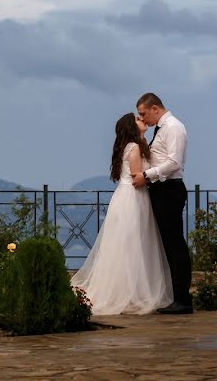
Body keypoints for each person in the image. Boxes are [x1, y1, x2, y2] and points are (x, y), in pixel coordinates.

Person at [70, 113, 173, 315]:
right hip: (132, 198)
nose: (142, 119)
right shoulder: (134, 148)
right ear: (131, 127)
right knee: (131, 244)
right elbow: (137, 178)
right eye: (137, 119)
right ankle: (129, 293)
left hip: (129, 197)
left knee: (132, 244)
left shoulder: (137, 144)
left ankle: (132, 291)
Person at [132, 93, 193, 314]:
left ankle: (183, 300)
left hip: (169, 189)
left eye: (143, 113)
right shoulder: (160, 129)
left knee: (175, 243)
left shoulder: (173, 128)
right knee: (168, 243)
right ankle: (175, 296)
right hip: (160, 189)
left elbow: (174, 163)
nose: (142, 118)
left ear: (155, 108)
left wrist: (147, 175)